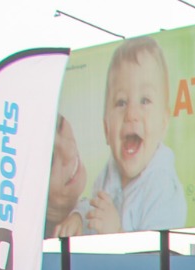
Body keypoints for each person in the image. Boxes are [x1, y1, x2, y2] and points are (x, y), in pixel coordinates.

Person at [61, 37, 187, 235]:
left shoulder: (162, 188)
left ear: (164, 122)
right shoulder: (110, 171)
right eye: (121, 102)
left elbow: (154, 258)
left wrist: (116, 231)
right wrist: (78, 217)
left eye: (144, 100)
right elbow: (94, 206)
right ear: (106, 128)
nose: (131, 114)